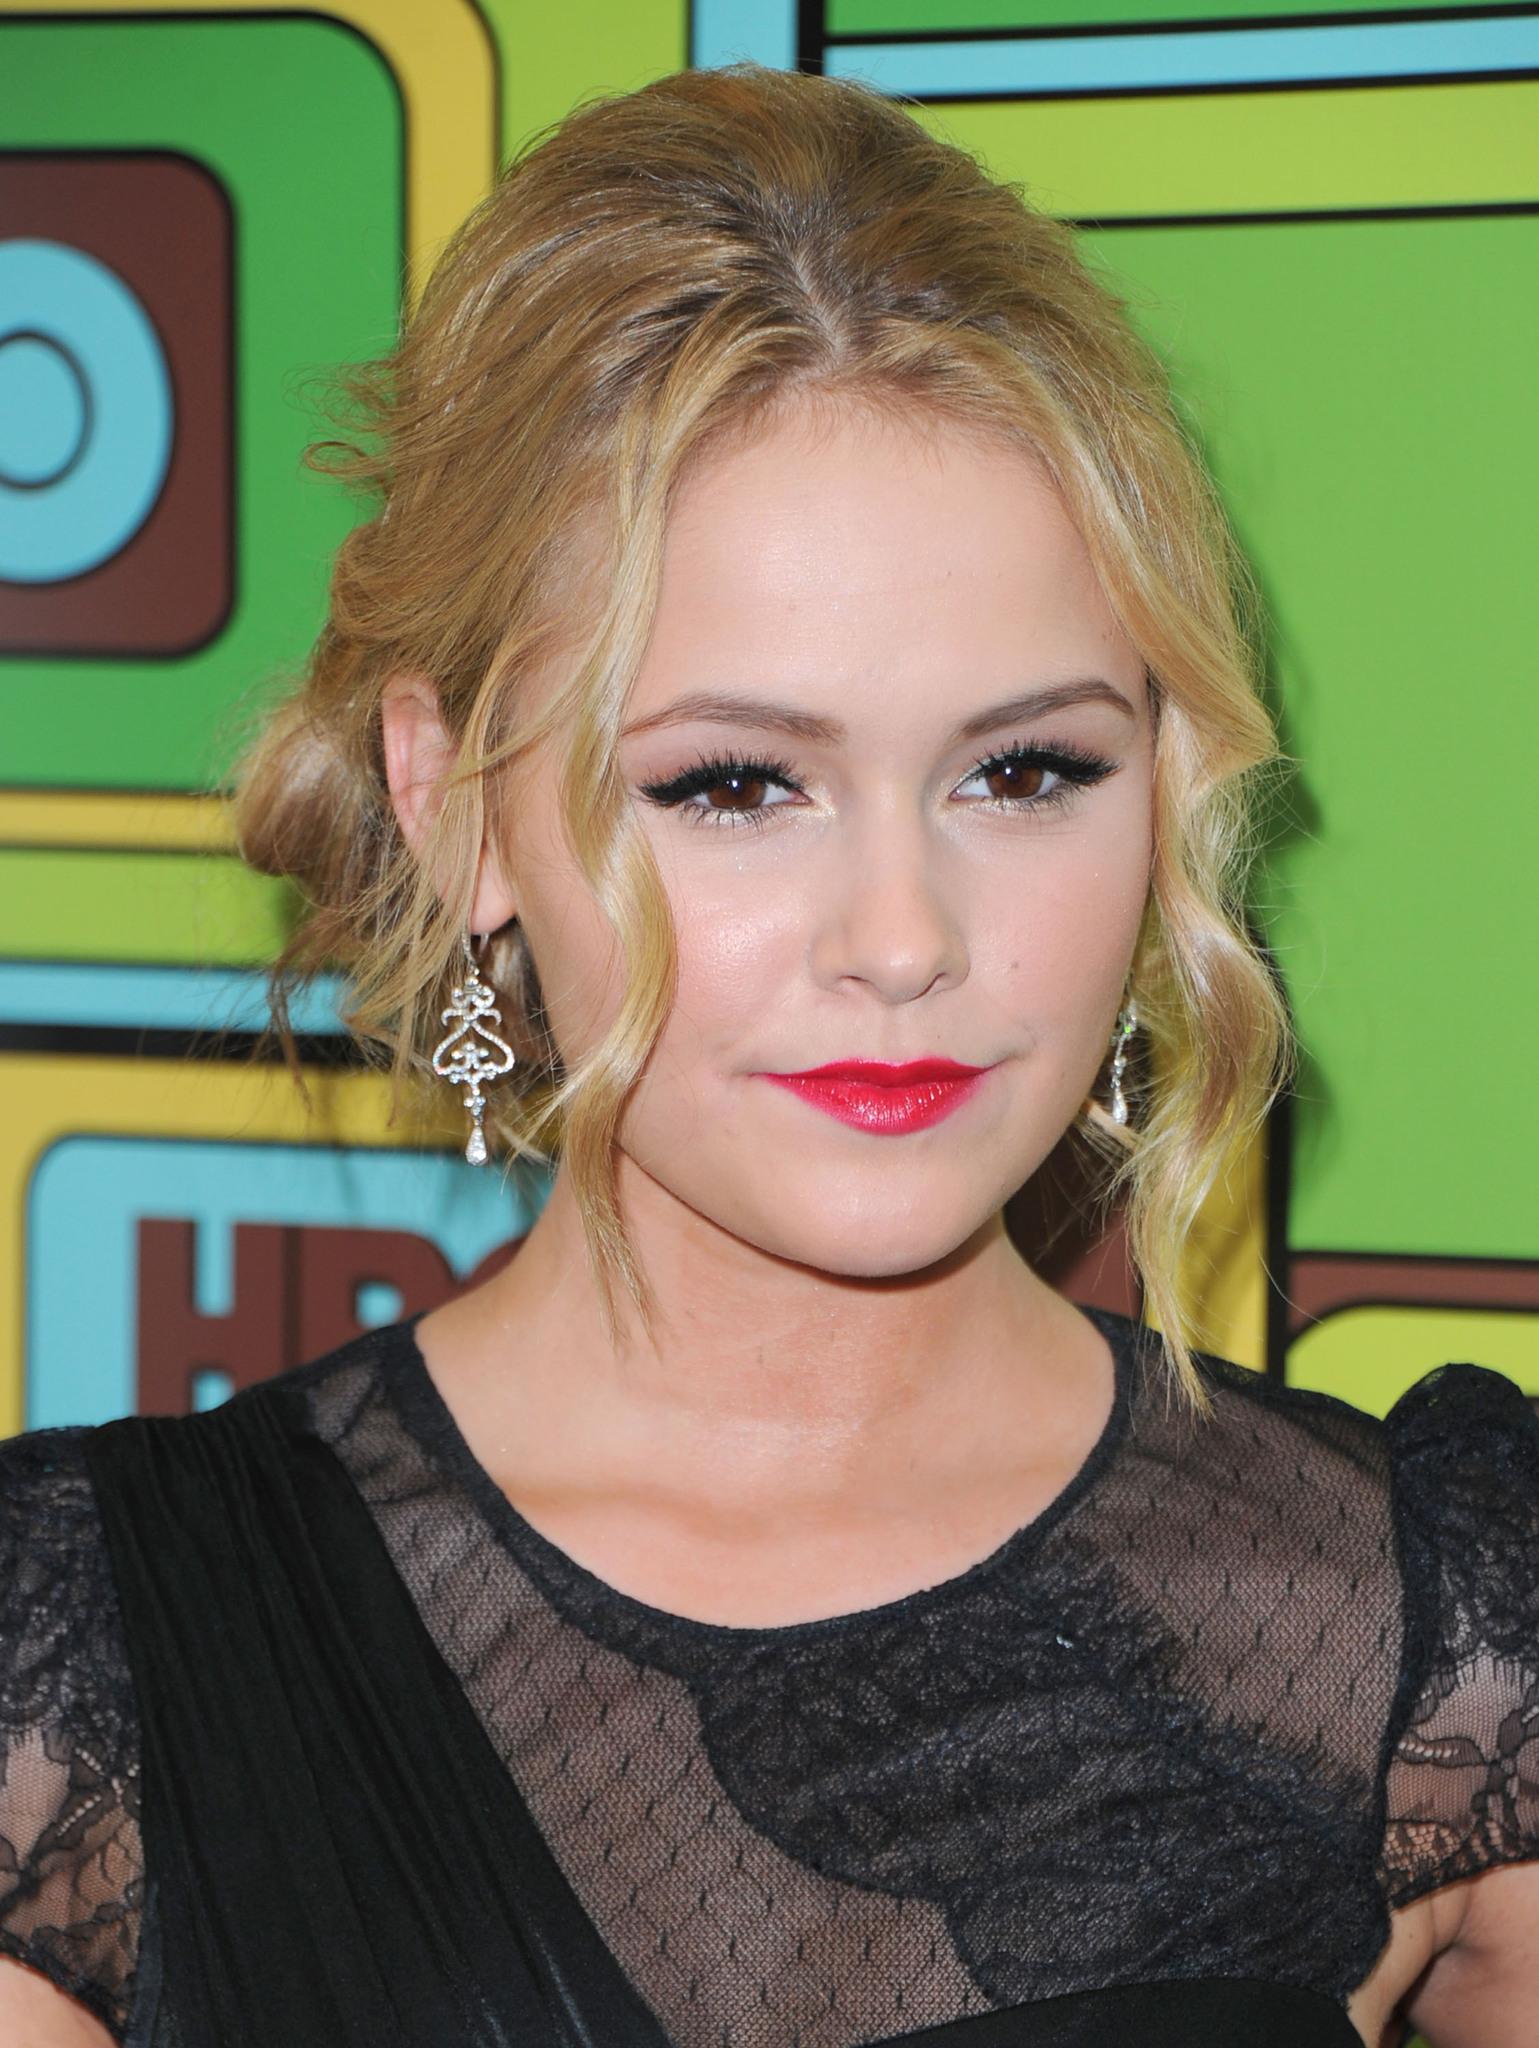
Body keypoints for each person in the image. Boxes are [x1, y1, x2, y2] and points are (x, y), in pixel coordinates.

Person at [1, 60, 1535, 2048]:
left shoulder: (1423, 1631)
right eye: (733, 782)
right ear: (455, 808)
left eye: (1022, 770)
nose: (901, 936)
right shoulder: (94, 1665)